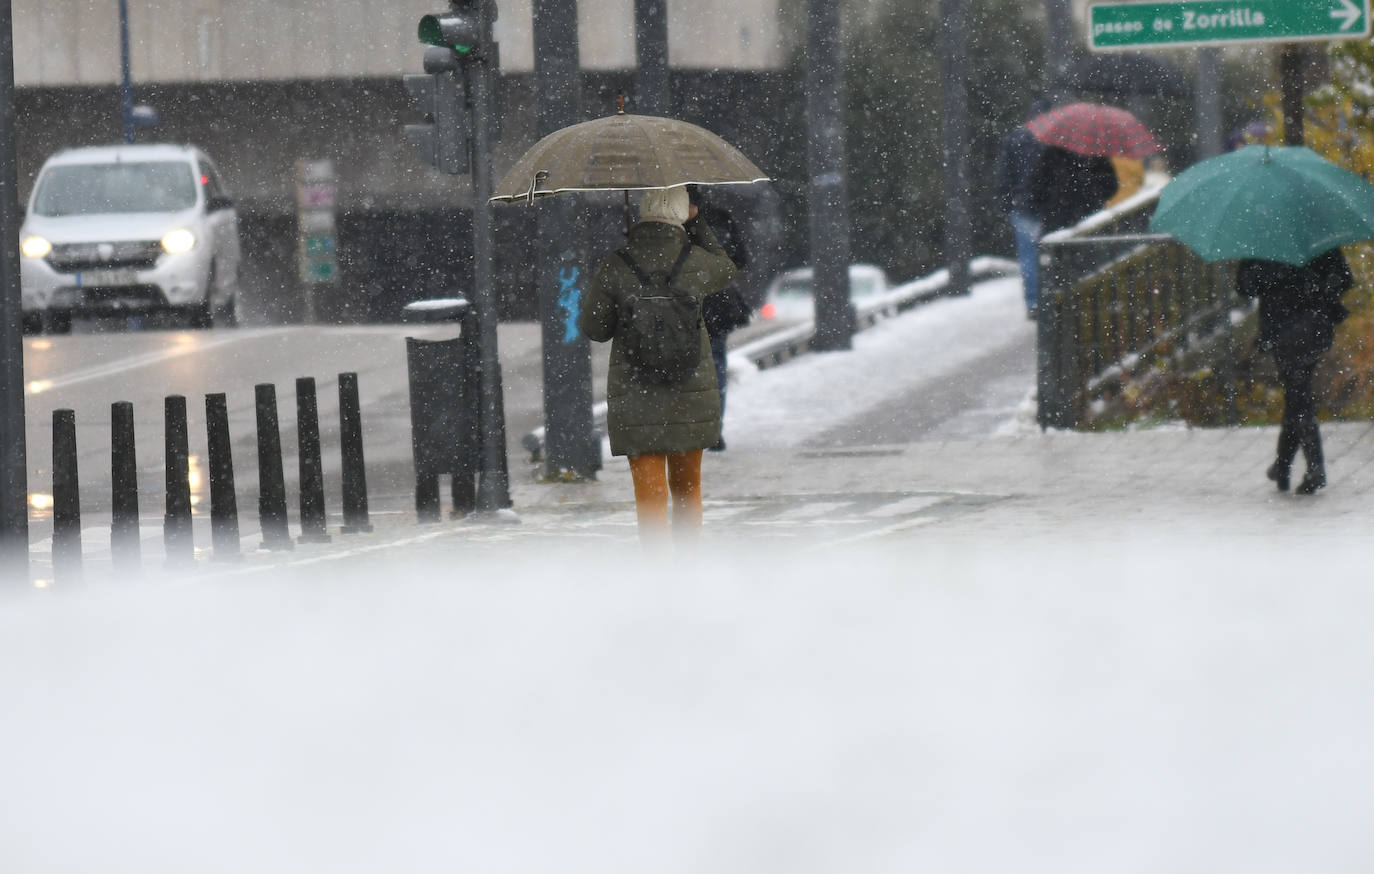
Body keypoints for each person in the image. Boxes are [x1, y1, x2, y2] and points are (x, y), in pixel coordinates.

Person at [579, 187, 738, 546]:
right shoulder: (697, 261)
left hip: (636, 397)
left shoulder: (617, 263)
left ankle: (657, 578)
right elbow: (728, 269)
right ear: (683, 213)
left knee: (650, 500)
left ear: (642, 212)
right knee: (687, 490)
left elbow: (594, 329)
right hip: (690, 393)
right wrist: (698, 227)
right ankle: (687, 570)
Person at [1237, 248, 1354, 495]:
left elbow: (1246, 286)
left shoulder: (1262, 241)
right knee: (1296, 394)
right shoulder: (1316, 233)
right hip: (1316, 326)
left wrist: (1277, 278)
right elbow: (1343, 278)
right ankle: (1283, 465)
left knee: (1298, 396)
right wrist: (1318, 291)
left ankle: (1315, 468)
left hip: (1284, 329)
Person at [687, 185, 752, 451]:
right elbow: (741, 259)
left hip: (686, 308)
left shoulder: (674, 228)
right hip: (718, 306)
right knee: (715, 369)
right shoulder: (721, 218)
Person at [994, 97, 1051, 317]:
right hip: (1050, 208)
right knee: (1053, 253)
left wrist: (1009, 203)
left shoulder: (1015, 139)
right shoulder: (1055, 139)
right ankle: (1053, 296)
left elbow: (1002, 177)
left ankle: (1033, 302)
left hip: (1023, 207)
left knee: (1029, 257)